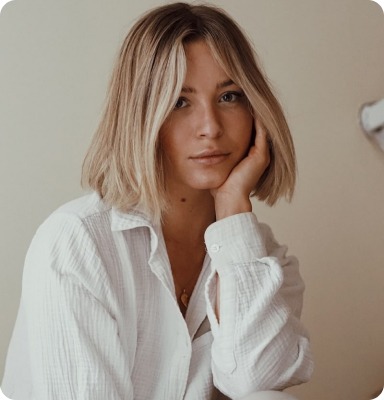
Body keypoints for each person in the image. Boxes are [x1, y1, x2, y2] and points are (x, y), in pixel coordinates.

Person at [1, 2, 313, 400]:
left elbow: (256, 383)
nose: (210, 128)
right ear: (141, 116)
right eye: (180, 102)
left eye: (230, 96)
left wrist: (234, 211)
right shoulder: (77, 244)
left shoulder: (262, 257)